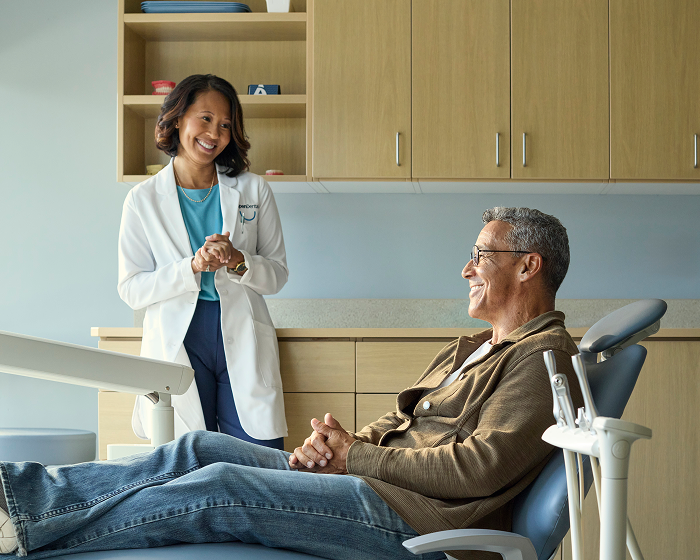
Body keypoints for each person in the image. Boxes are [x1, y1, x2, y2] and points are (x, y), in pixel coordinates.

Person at [0, 207, 583, 560]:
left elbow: (478, 468)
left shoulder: (541, 360)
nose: (466, 269)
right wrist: (341, 447)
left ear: (527, 266)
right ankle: (19, 497)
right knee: (198, 448)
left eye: (481, 255)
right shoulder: (475, 348)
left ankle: (29, 535)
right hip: (373, 487)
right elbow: (407, 425)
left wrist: (357, 459)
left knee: (221, 486)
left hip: (413, 521)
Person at [117, 74, 289, 450]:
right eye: (206, 118)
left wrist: (238, 260)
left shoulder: (252, 189)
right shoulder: (142, 199)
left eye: (226, 124)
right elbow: (132, 288)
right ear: (178, 118)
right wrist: (190, 267)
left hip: (241, 333)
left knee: (260, 463)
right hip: (181, 337)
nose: (216, 132)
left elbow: (276, 274)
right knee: (187, 463)